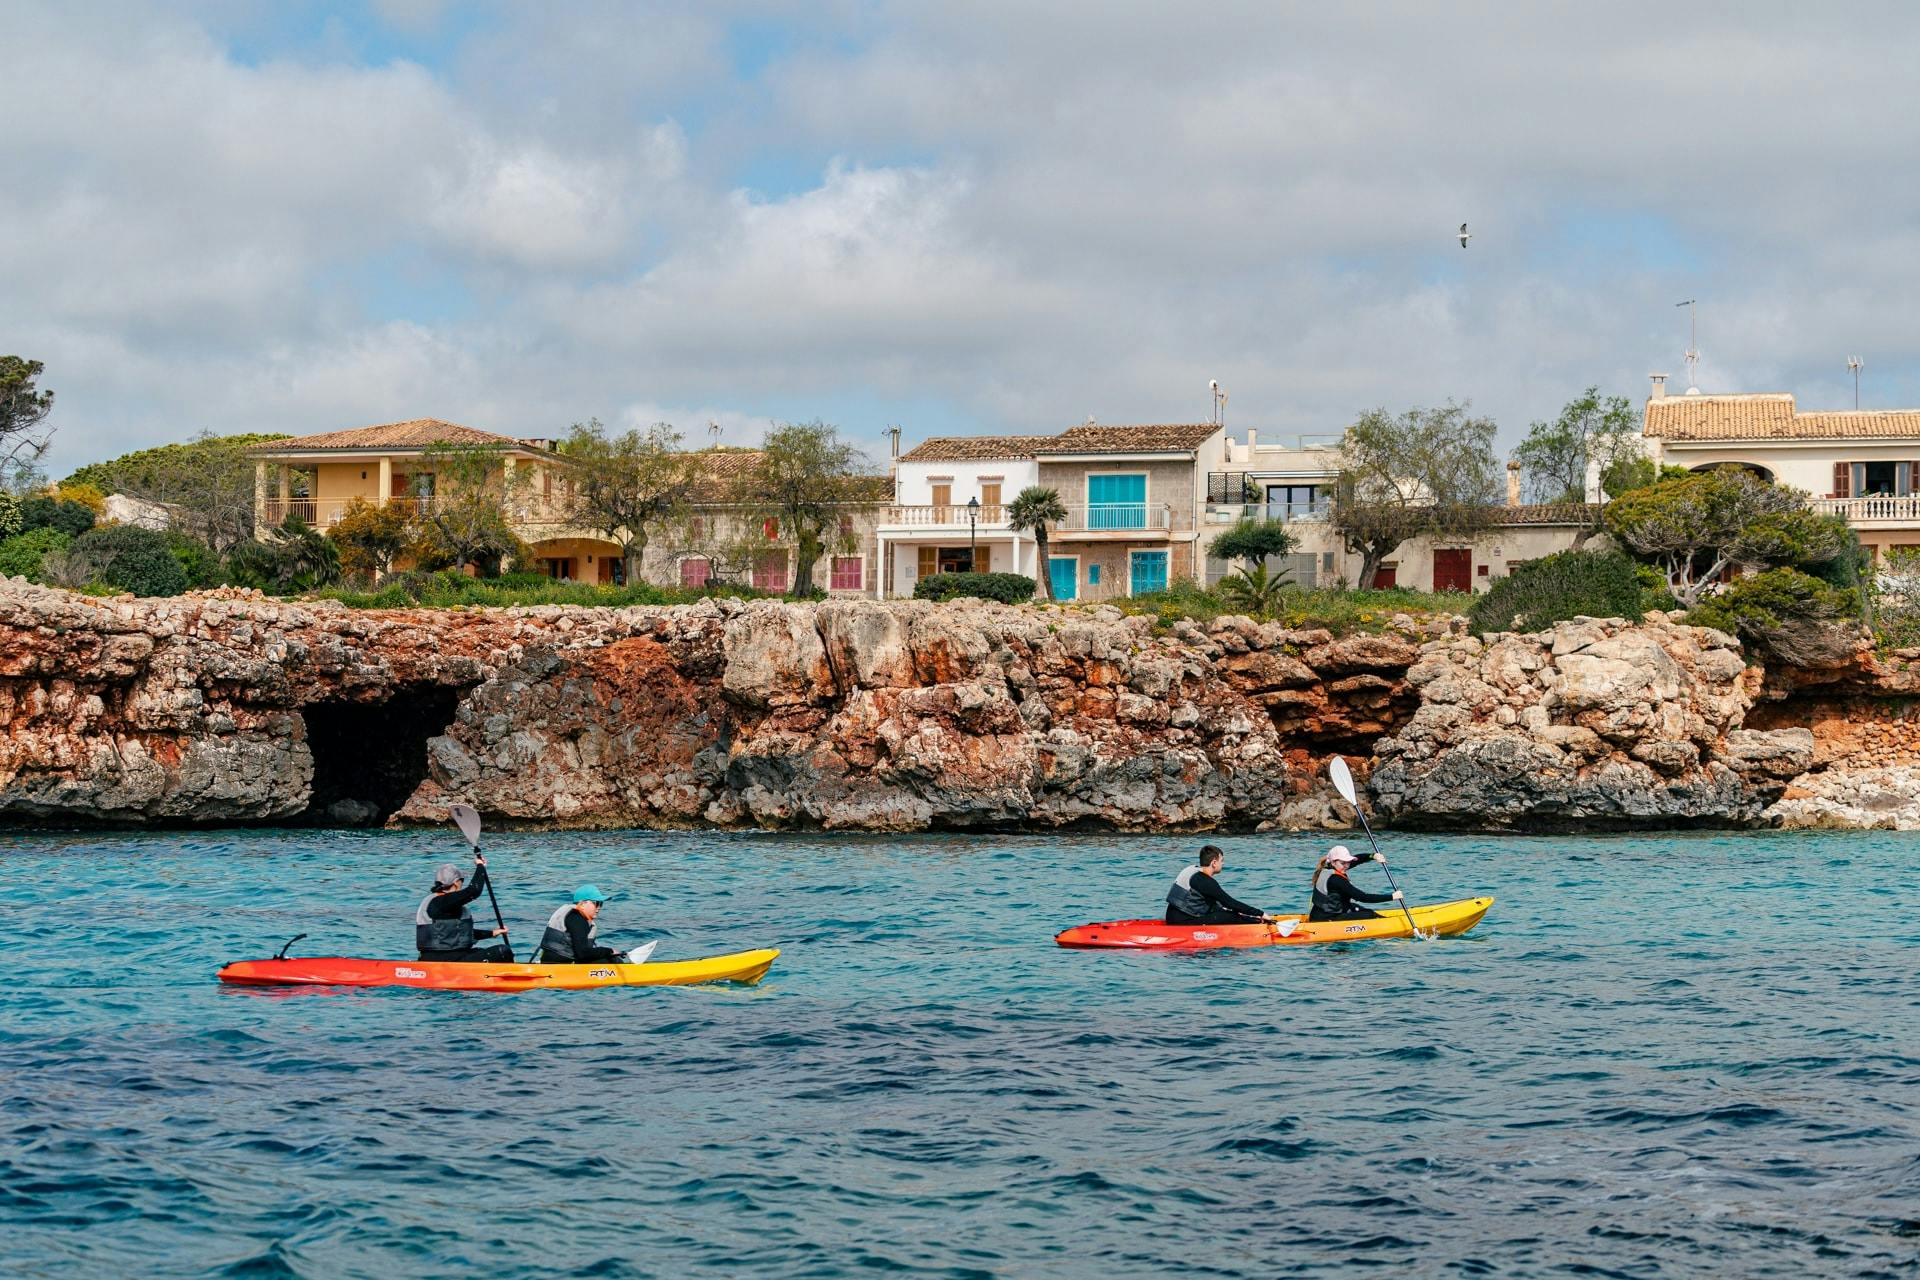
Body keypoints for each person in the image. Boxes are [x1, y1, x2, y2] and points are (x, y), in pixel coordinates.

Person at [415, 856, 511, 962]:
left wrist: (492, 933)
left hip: (456, 957)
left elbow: (460, 933)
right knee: (502, 951)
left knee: (484, 951)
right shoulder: (440, 902)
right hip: (440, 960)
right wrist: (480, 866)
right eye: (462, 881)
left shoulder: (446, 903)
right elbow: (474, 890)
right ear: (456, 882)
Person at [1165, 845, 1280, 926]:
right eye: (1221, 860)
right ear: (1214, 863)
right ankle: (1260, 923)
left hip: (1172, 917)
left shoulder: (1191, 870)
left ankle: (1254, 920)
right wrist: (1260, 913)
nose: (1223, 863)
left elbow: (1206, 902)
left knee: (1228, 912)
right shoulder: (1204, 881)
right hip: (1182, 922)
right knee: (1230, 916)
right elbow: (1230, 902)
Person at [1308, 844, 1401, 922]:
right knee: (1370, 914)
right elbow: (1363, 897)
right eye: (1343, 863)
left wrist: (1373, 856)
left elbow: (1358, 859)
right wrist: (1392, 897)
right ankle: (1391, 924)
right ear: (1333, 862)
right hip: (1328, 919)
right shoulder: (1336, 879)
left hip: (1317, 915)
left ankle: (1387, 920)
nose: (1346, 865)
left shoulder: (1328, 868)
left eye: (1348, 862)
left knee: (1358, 908)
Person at [537, 885, 627, 964]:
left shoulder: (573, 916)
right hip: (563, 965)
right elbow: (583, 954)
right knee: (613, 960)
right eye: (596, 903)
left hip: (550, 961)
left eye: (601, 904)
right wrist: (609, 951)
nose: (599, 907)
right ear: (583, 904)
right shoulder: (577, 919)